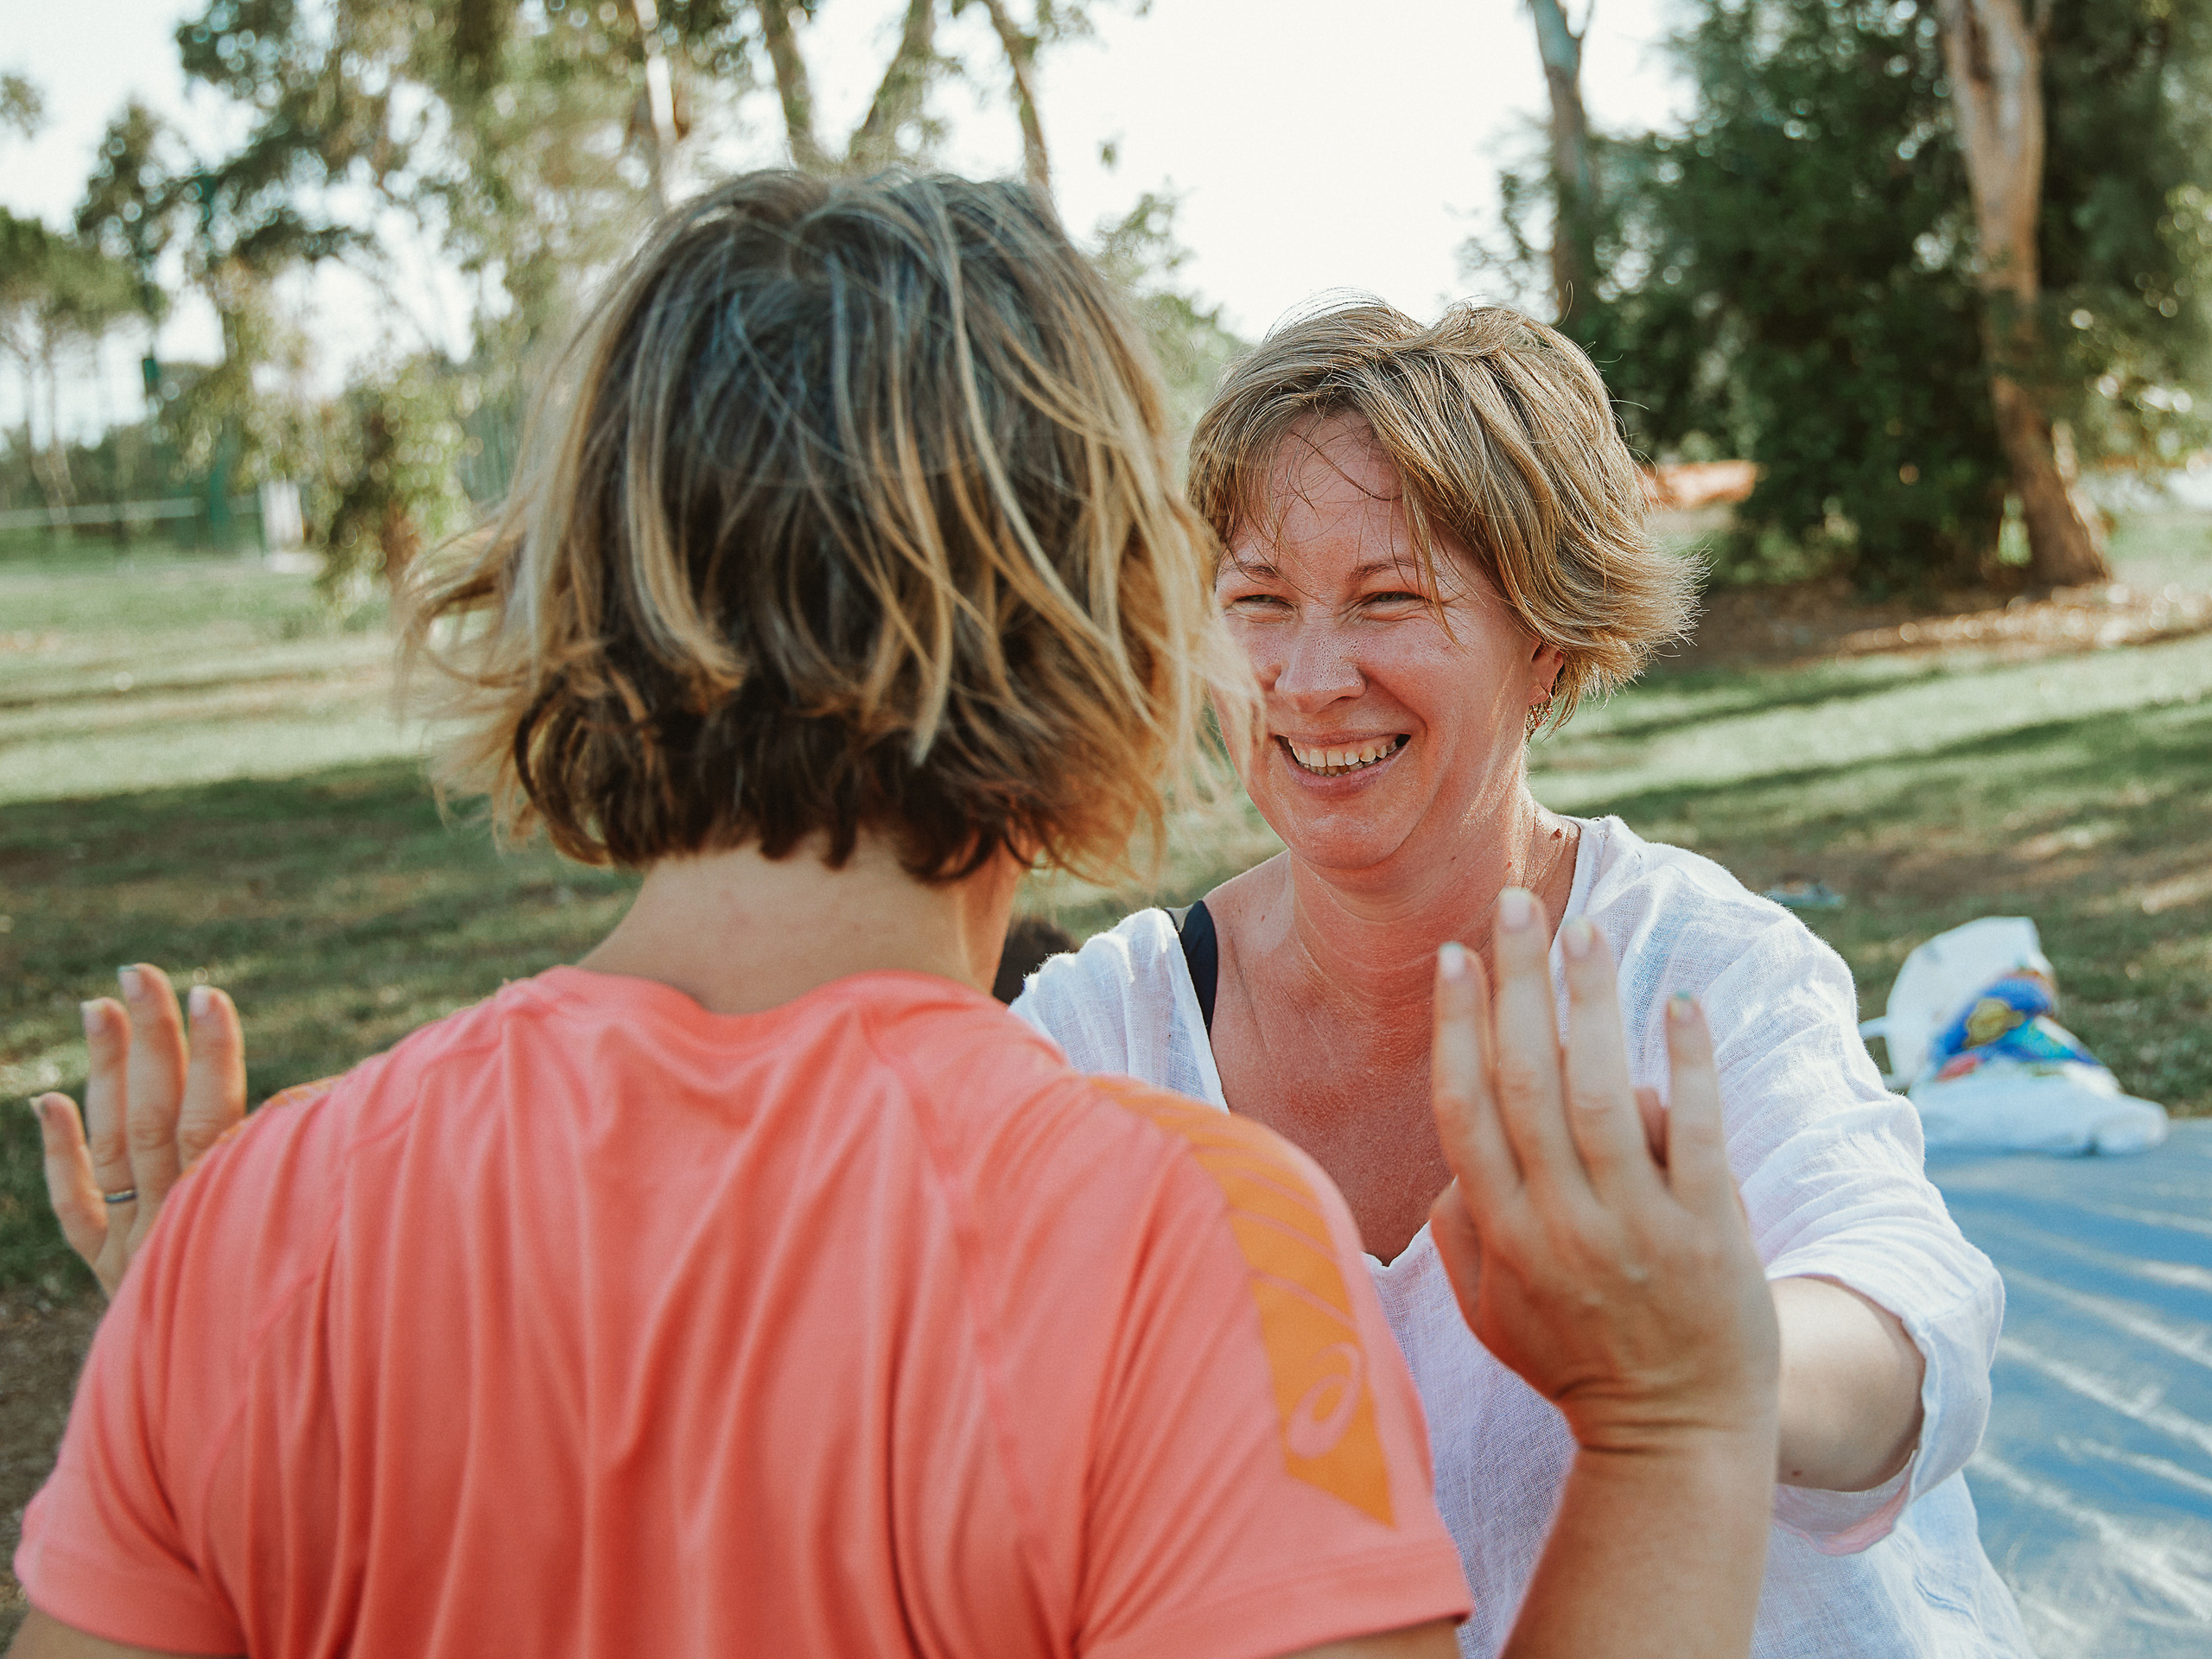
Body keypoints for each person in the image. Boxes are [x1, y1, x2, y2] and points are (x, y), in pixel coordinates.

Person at [11, 175, 1782, 1659]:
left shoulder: (253, 1233)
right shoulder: (1199, 1249)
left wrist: (200, 1345)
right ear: (1102, 617)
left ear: (580, 585)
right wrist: (1670, 1428)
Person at [1010, 302, 2035, 1658]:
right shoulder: (1099, 1036)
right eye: (1259, 603)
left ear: (1548, 639)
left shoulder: (1699, 969)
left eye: (1391, 600)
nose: (1309, 681)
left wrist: (1706, 1362)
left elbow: (1912, 1325)